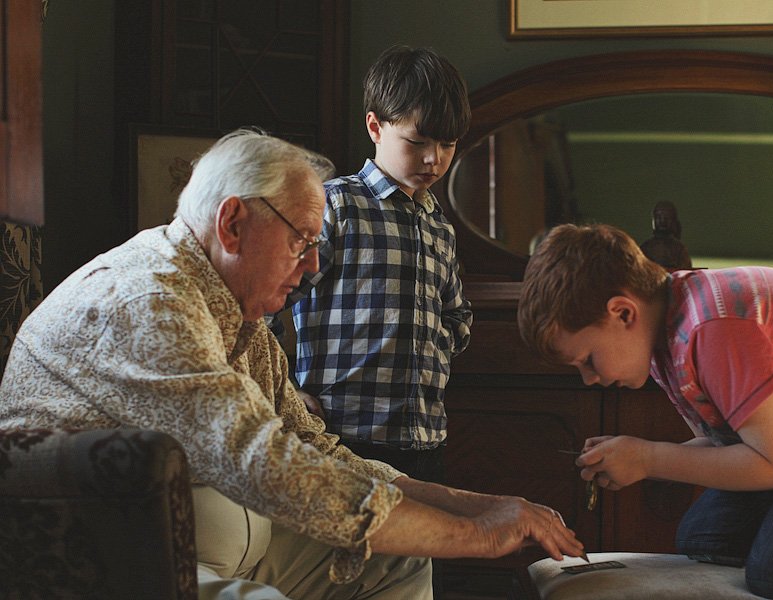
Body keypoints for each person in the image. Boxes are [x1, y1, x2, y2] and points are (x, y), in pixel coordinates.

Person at [0, 129, 586, 600]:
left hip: (226, 539)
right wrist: (478, 537)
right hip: (112, 550)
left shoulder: (240, 315)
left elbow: (316, 448)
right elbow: (269, 467)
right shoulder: (151, 302)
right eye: (302, 242)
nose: (311, 267)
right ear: (233, 224)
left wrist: (481, 506)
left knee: (399, 560)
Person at [516, 222, 773, 600]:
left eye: (588, 359)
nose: (589, 379)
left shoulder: (710, 328)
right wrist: (633, 455)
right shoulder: (668, 337)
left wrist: (650, 459)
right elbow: (732, 445)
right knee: (705, 537)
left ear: (623, 313)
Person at [286, 45, 472, 485]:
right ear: (375, 126)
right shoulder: (334, 206)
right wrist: (289, 393)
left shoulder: (440, 226)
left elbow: (458, 315)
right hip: (340, 432)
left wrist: (432, 345)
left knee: (422, 549)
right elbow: (274, 299)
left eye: (447, 145)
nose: (434, 159)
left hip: (424, 435)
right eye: (418, 142)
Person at [638, 200, 692, 271]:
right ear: (653, 221)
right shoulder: (645, 248)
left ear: (673, 221)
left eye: (667, 217)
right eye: (658, 217)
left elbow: (685, 273)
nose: (662, 221)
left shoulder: (679, 249)